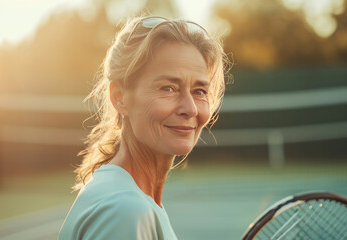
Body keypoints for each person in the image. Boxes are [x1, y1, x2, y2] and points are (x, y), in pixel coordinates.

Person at [59, 15, 230, 240]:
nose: (190, 109)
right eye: (168, 88)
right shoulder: (125, 211)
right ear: (119, 98)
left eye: (199, 91)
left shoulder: (127, 198)